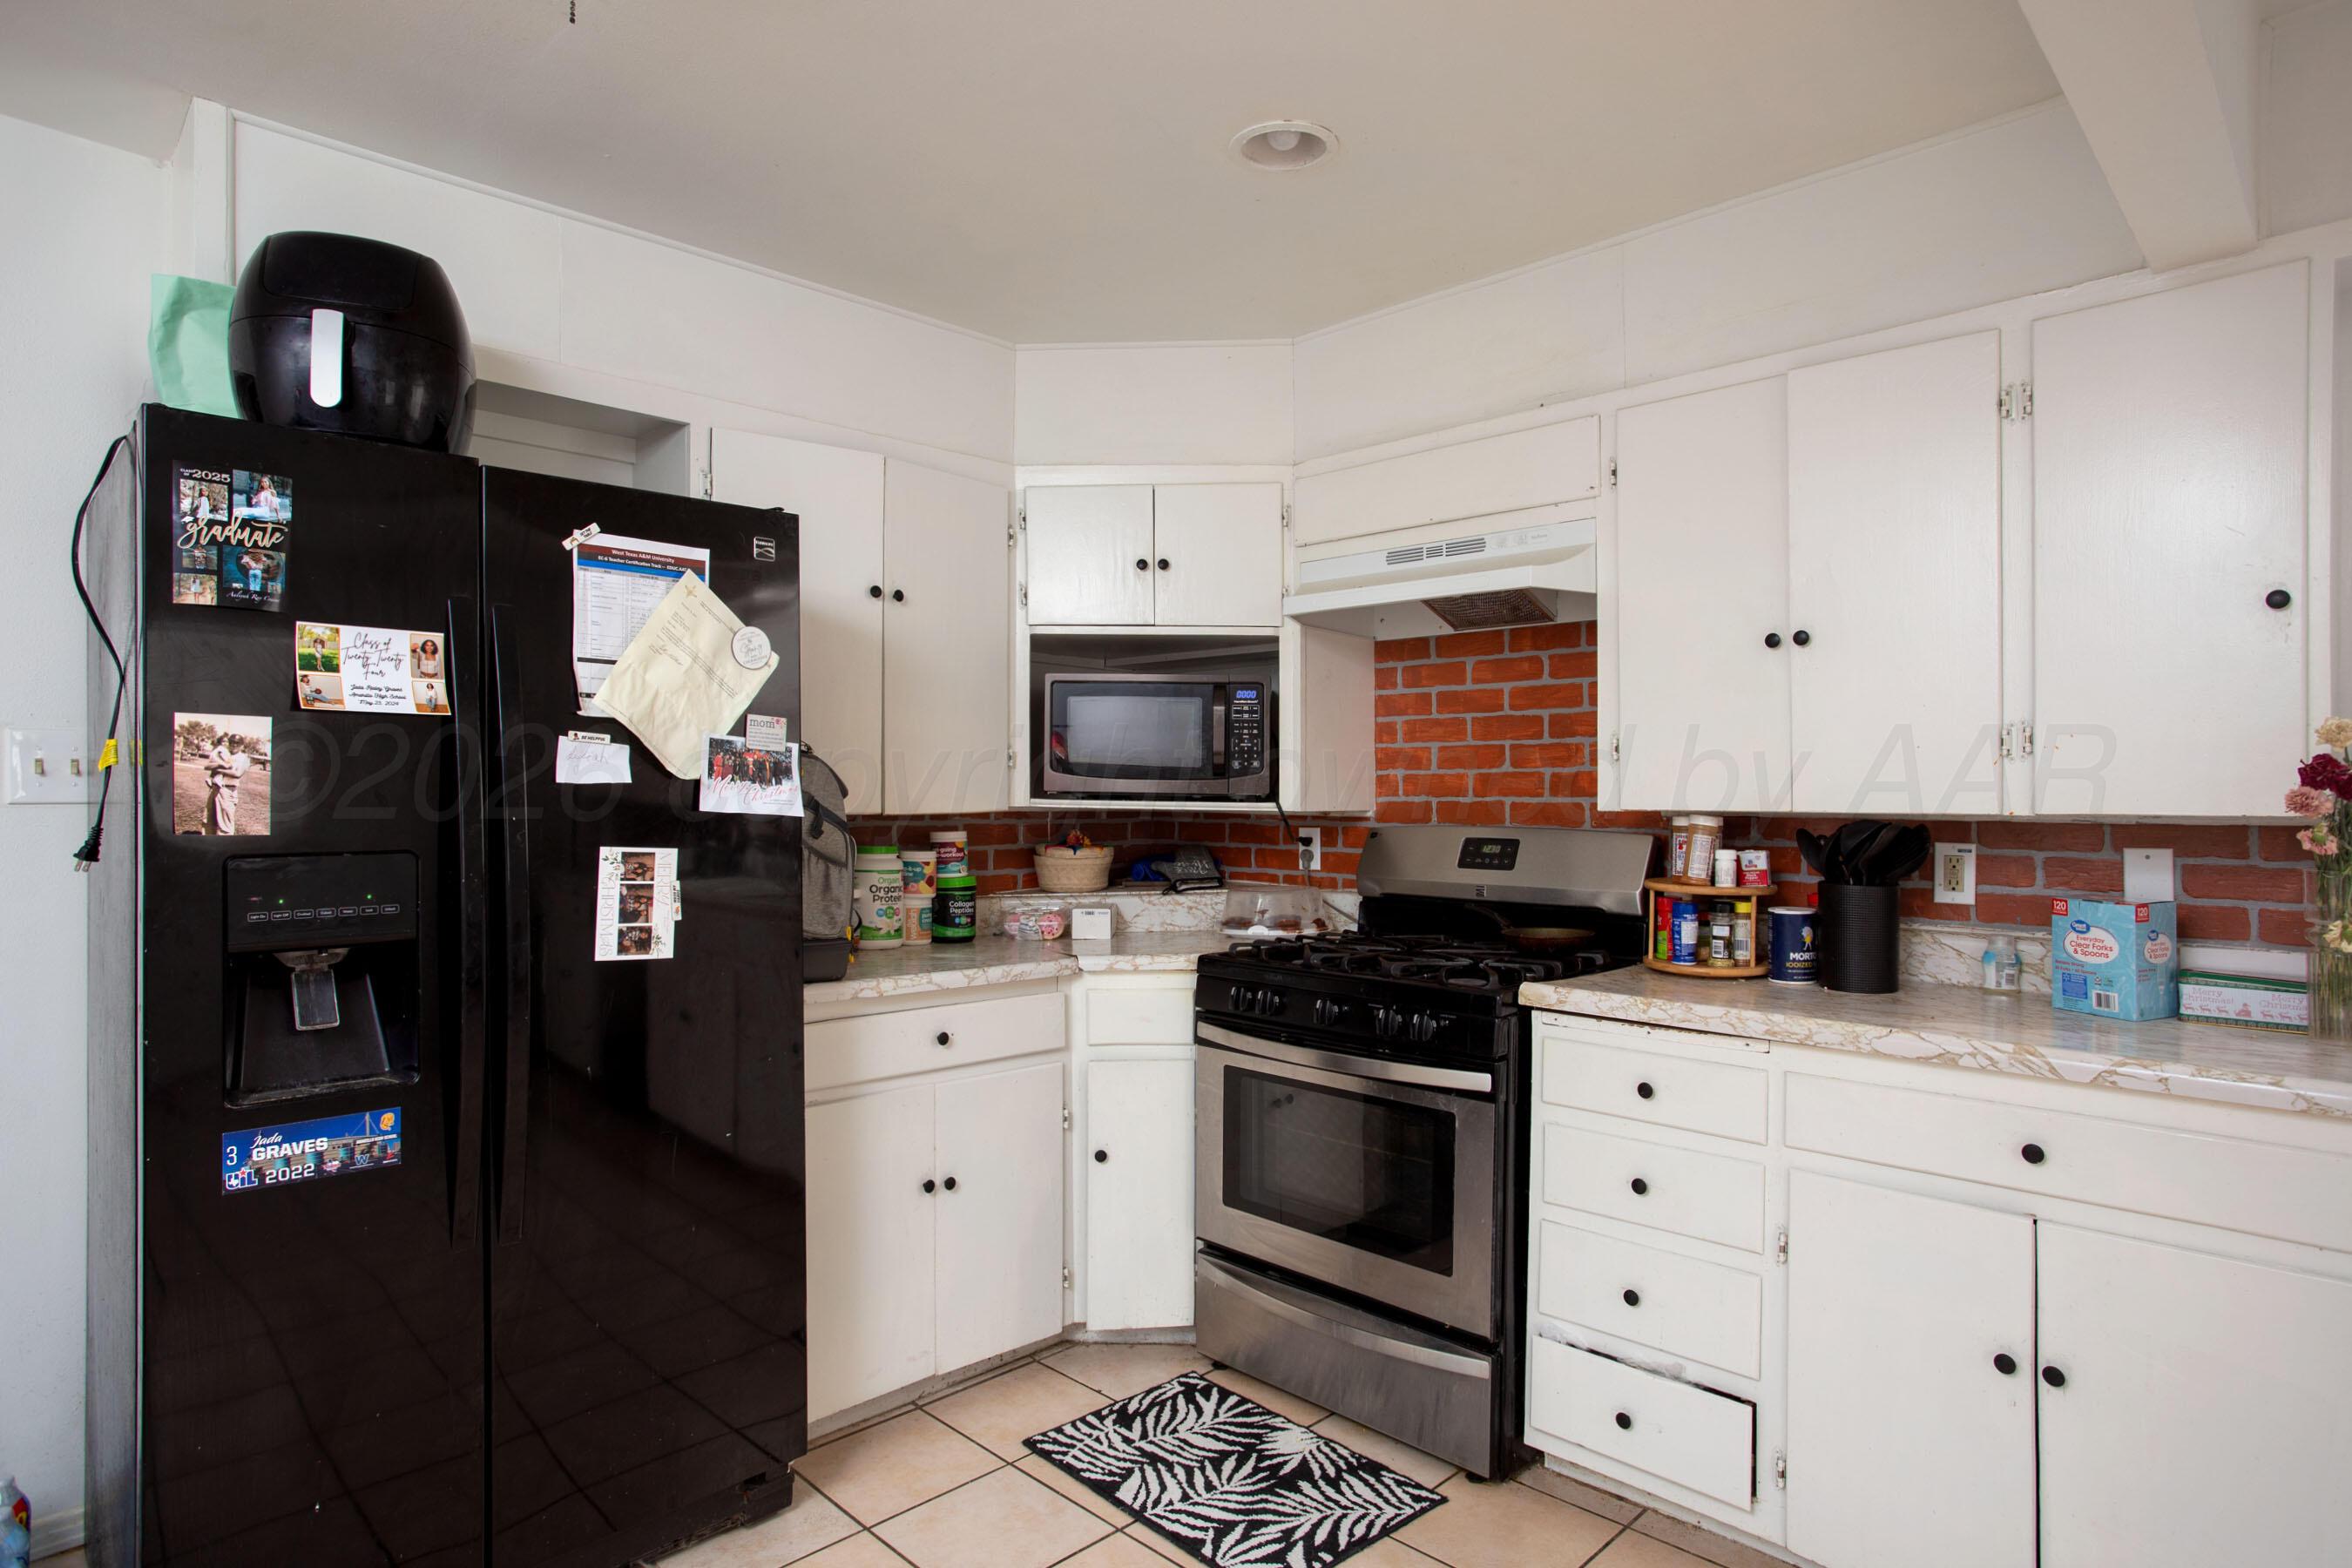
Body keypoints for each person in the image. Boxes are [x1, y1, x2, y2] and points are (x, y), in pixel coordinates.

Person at [203, 738, 250, 835]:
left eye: (237, 743)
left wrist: (218, 769)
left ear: (242, 745)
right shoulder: (224, 754)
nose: (234, 745)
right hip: (214, 788)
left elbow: (237, 774)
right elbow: (207, 766)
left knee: (224, 824)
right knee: (208, 820)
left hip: (228, 790)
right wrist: (220, 765)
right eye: (231, 742)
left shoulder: (244, 758)